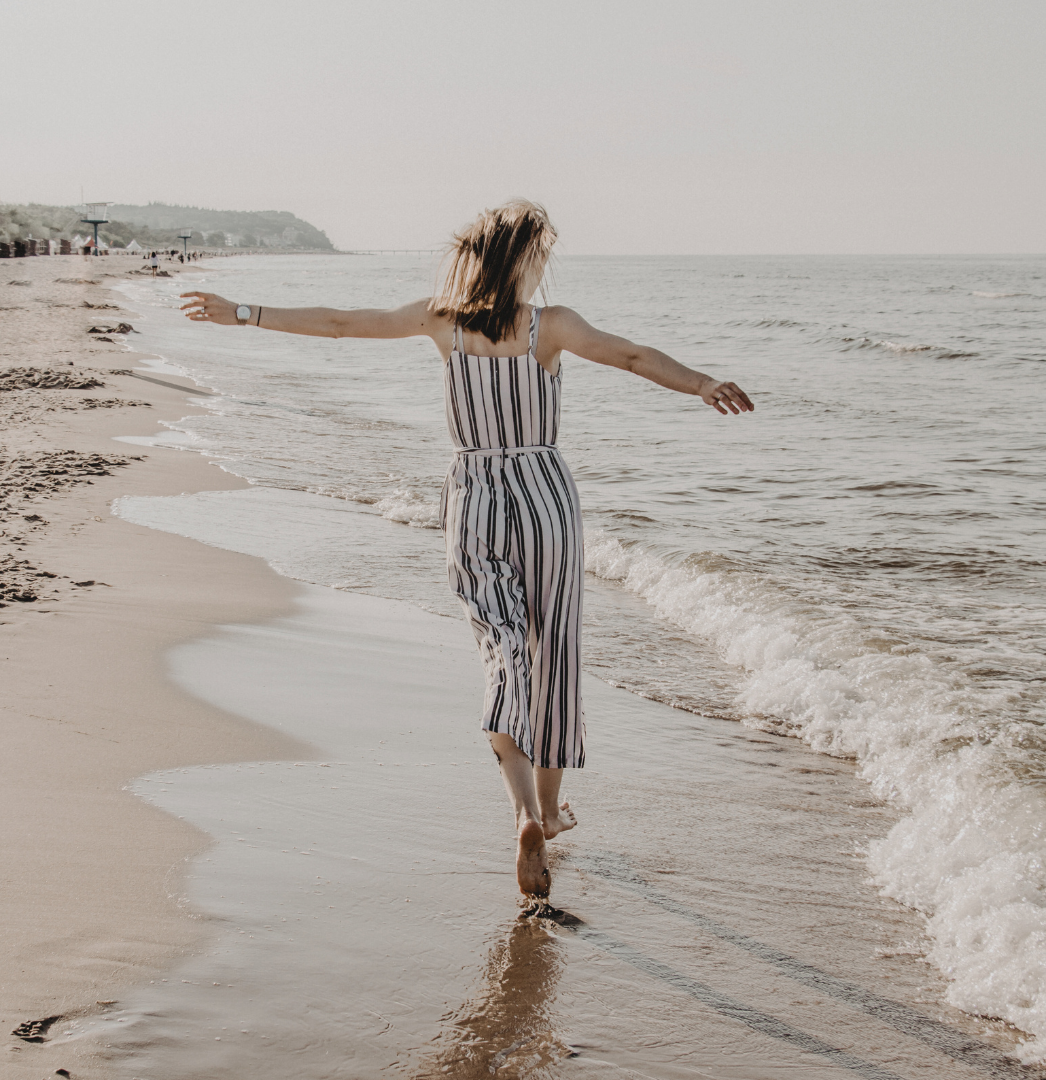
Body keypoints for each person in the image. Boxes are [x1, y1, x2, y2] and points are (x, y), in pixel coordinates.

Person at [179, 200, 753, 899]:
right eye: (543, 251)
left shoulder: (441, 320)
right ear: (524, 260)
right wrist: (701, 383)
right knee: (552, 648)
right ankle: (548, 811)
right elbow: (632, 356)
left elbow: (340, 324)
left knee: (503, 651)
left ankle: (521, 813)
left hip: (475, 493)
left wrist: (241, 313)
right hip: (544, 494)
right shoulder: (552, 326)